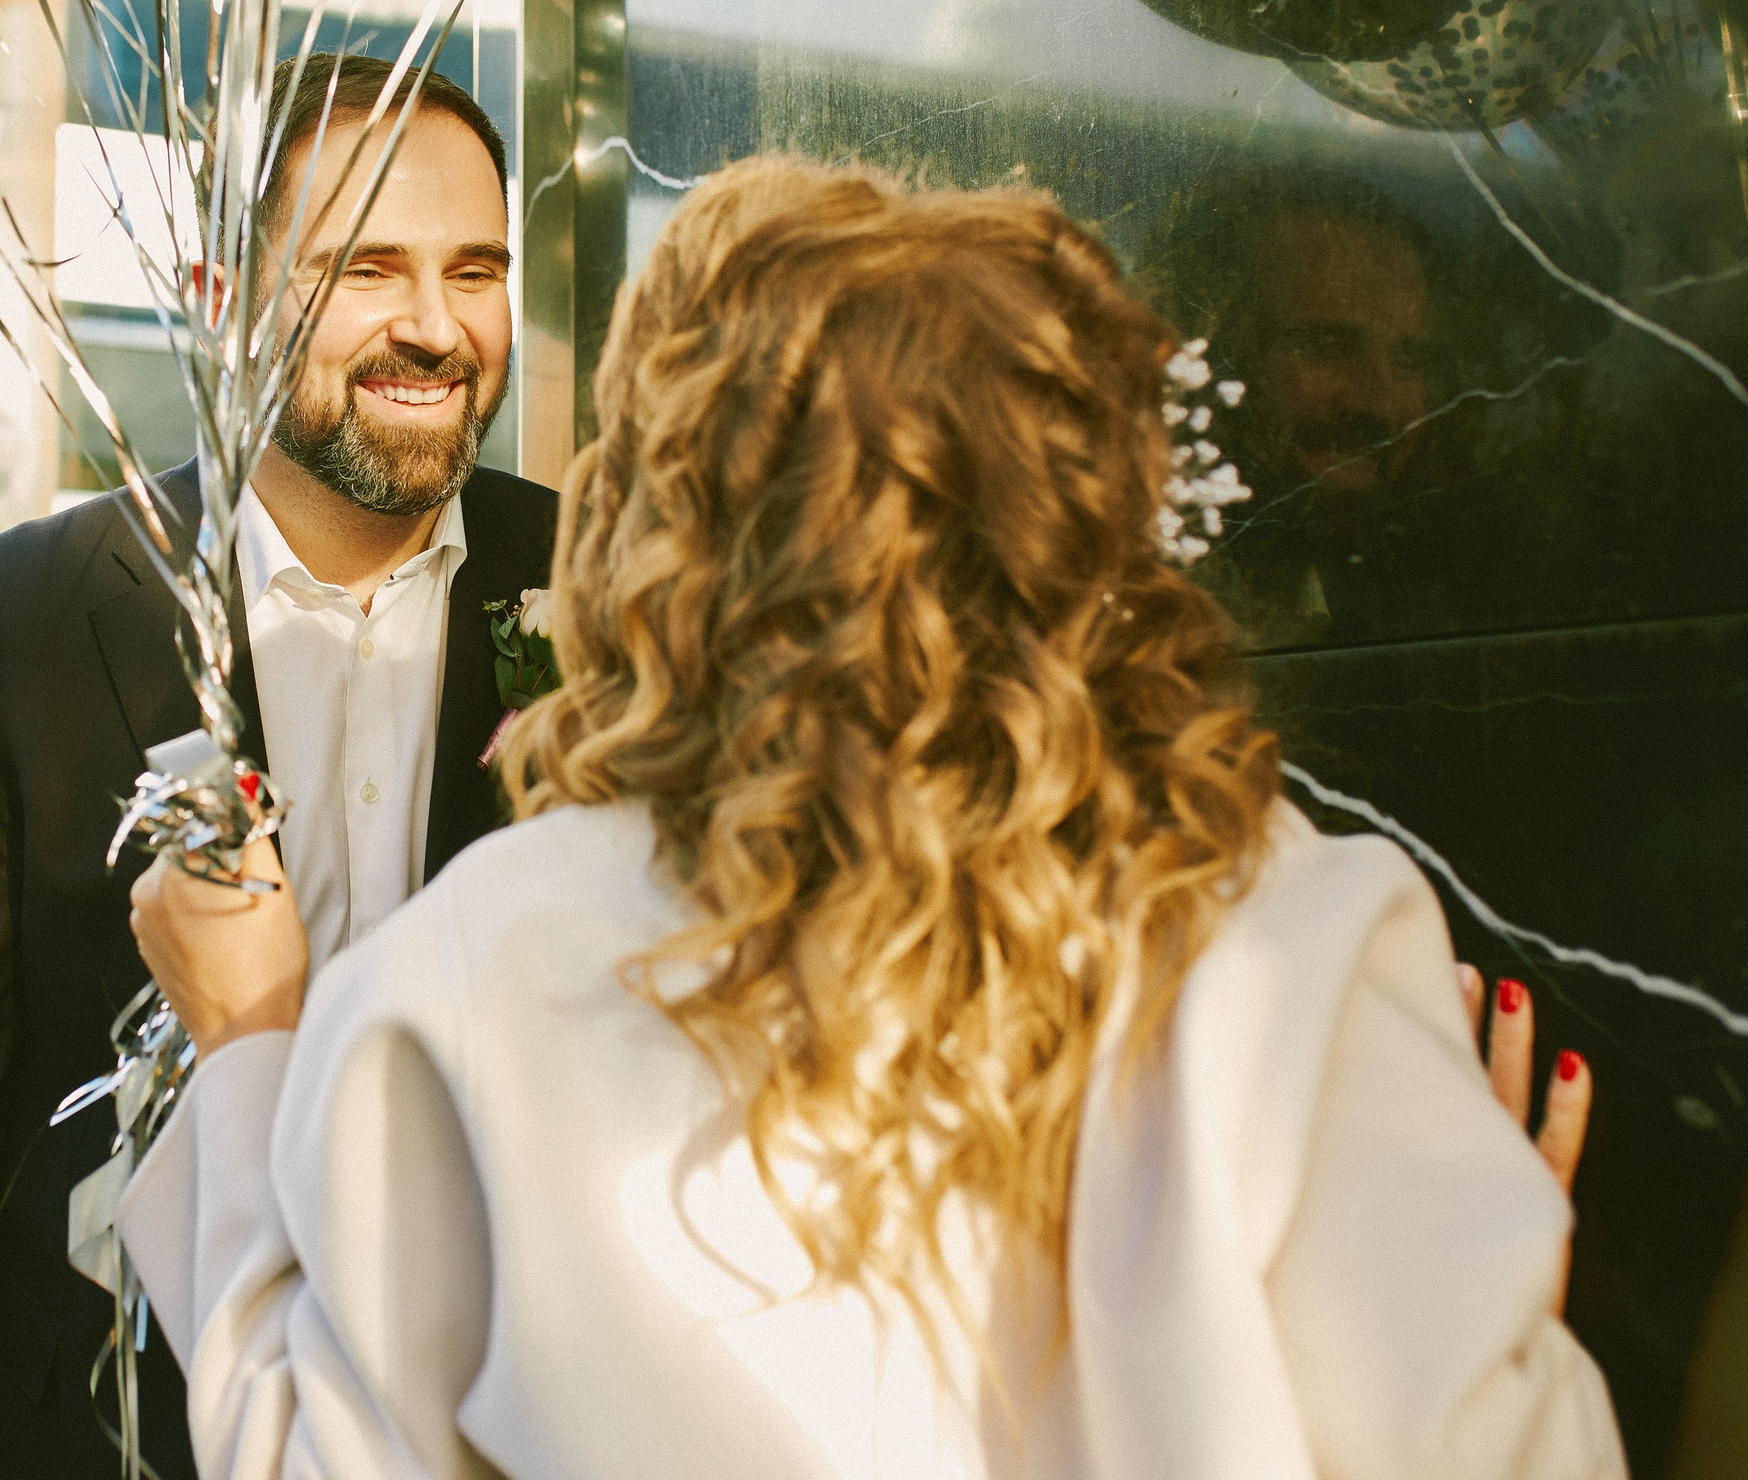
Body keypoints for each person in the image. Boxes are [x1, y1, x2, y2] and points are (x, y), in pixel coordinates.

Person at [120, 157, 1625, 1478]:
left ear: (667, 520)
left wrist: (253, 1042)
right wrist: (1479, 1274)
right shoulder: (1309, 938)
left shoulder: (483, 975)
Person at [0, 56, 557, 1479]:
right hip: (122, 1432)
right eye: (365, 269)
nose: (436, 326)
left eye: (476, 269)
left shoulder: (617, 590)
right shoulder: (12, 625)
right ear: (223, 298)